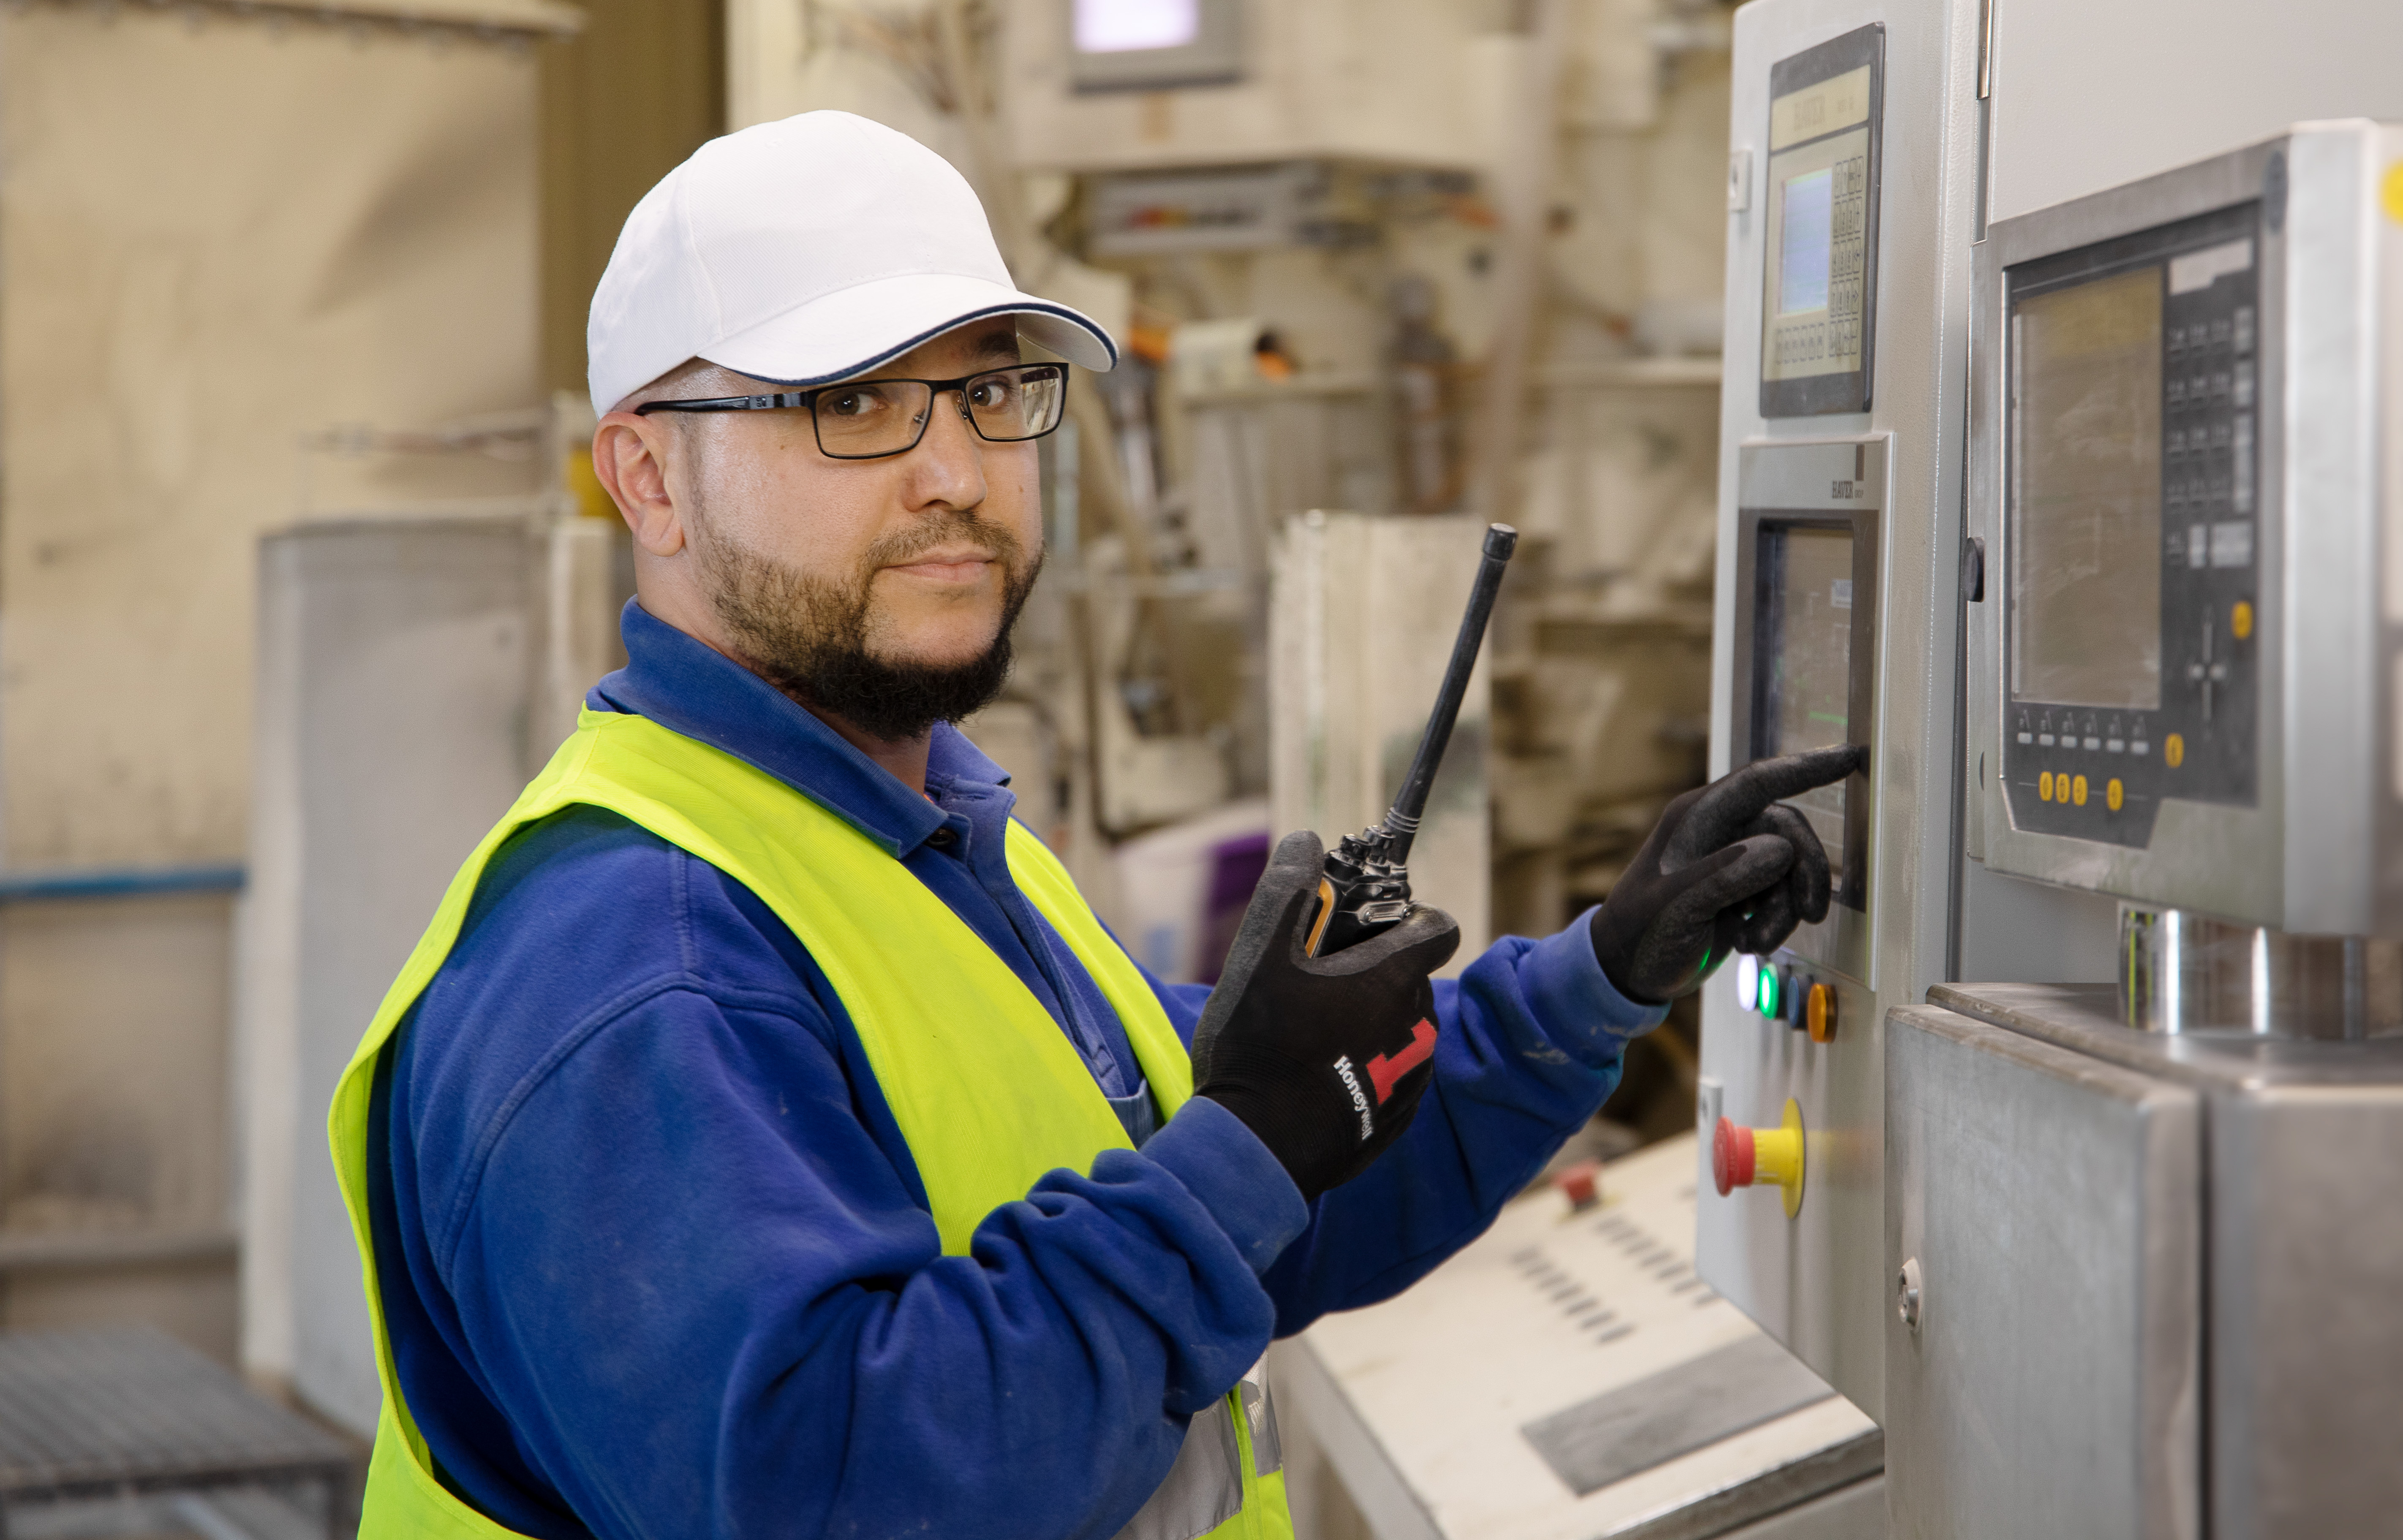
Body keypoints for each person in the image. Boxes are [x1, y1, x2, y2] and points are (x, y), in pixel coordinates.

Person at [330, 110, 1858, 1540]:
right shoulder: (637, 970)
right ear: (650, 476)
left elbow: (1263, 1190)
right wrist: (1247, 1147)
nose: (955, 474)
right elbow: (854, 1480)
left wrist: (1591, 983)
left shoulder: (927, 842)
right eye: (852, 402)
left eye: (991, 392)